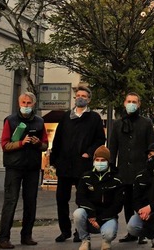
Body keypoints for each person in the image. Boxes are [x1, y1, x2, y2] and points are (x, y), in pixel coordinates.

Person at [50, 86, 107, 243]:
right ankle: (65, 230)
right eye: (78, 95)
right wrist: (54, 160)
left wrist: (89, 152)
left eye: (84, 96)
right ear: (75, 98)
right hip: (64, 165)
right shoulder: (66, 117)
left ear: (89, 99)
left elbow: (100, 140)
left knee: (82, 199)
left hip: (83, 165)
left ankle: (79, 230)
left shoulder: (94, 118)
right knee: (61, 198)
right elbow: (58, 139)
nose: (80, 98)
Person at [0, 92, 49, 249]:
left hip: (32, 167)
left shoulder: (39, 121)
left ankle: (27, 235)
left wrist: (37, 142)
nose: (26, 106)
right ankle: (3, 238)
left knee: (30, 202)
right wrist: (21, 143)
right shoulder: (10, 120)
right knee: (10, 201)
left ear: (33, 104)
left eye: (29, 103)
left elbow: (45, 145)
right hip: (14, 166)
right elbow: (5, 145)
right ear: (19, 103)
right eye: (23, 103)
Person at [109, 92, 154, 244]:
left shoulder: (146, 123)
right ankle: (131, 232)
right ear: (124, 103)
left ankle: (143, 231)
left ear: (139, 104)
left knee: (142, 201)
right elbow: (112, 147)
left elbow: (151, 146)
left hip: (142, 169)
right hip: (124, 170)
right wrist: (112, 166)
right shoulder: (117, 124)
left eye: (134, 101)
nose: (131, 104)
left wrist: (151, 165)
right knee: (127, 202)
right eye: (129, 101)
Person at [73, 145, 124, 250]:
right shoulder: (86, 177)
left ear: (108, 161)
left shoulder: (117, 180)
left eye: (103, 160)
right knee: (78, 214)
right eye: (97, 160)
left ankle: (106, 241)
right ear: (93, 160)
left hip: (107, 217)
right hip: (90, 215)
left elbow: (117, 205)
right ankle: (85, 240)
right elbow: (80, 198)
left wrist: (99, 220)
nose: (99, 162)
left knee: (109, 233)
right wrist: (91, 213)